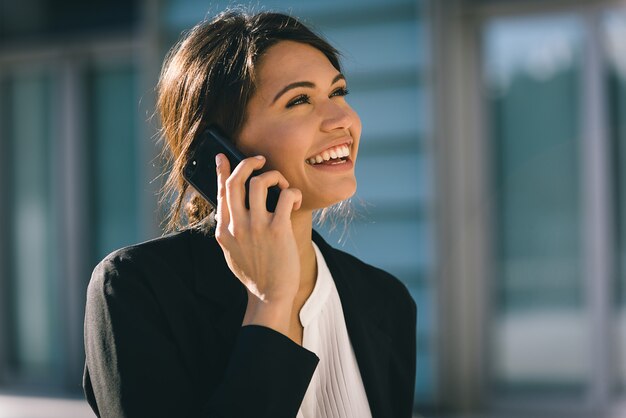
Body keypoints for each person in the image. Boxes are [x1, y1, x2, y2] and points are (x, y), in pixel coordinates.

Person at [83, 8, 416, 418]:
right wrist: (269, 304)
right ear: (220, 148)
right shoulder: (136, 290)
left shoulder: (386, 302)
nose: (341, 119)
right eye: (299, 100)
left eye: (338, 92)